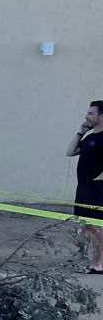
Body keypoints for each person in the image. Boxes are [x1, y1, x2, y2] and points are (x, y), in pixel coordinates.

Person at [67, 100, 103, 273]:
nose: (86, 116)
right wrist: (81, 132)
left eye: (91, 113)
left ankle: (97, 264)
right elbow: (70, 151)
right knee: (82, 226)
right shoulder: (89, 138)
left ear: (101, 116)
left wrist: (97, 180)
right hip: (83, 188)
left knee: (97, 227)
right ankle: (81, 259)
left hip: (97, 190)